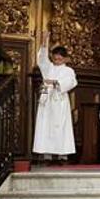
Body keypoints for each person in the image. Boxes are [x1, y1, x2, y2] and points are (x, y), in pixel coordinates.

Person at [32, 32, 77, 160]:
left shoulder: (68, 71)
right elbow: (42, 59)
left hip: (59, 100)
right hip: (47, 100)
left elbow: (71, 82)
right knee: (46, 126)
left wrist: (56, 82)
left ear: (65, 59)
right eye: (55, 59)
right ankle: (47, 153)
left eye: (60, 59)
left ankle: (62, 154)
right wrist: (45, 42)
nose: (57, 61)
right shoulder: (49, 68)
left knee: (60, 127)